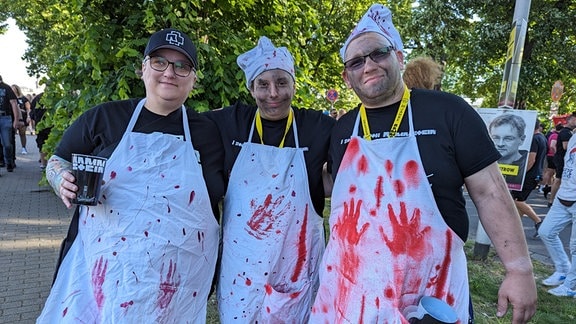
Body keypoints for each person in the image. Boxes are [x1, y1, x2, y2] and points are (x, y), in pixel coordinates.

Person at [310, 4, 536, 323]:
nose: (369, 65)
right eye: (357, 61)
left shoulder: (449, 112)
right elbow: (338, 187)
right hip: (352, 291)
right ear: (347, 78)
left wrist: (519, 269)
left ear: (399, 57)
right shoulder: (343, 128)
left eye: (378, 53)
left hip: (429, 292)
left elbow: (489, 192)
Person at [37, 28, 226, 323]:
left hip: (175, 288)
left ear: (193, 78)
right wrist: (61, 179)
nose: (170, 73)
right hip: (103, 279)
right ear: (143, 68)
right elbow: (57, 160)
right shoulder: (105, 117)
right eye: (160, 61)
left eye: (182, 66)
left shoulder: (210, 133)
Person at [204, 36, 335, 323]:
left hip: (297, 266)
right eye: (263, 85)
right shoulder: (230, 122)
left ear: (294, 85)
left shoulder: (318, 126)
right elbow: (174, 124)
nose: (273, 93)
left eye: (281, 82)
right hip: (242, 270)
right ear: (251, 88)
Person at [538, 133, 576, 297]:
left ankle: (570, 285)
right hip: (563, 196)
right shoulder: (574, 136)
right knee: (546, 232)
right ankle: (563, 269)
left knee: (575, 247)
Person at [510, 120, 546, 239]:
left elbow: (531, 159)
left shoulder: (534, 139)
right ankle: (517, 228)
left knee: (517, 201)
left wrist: (520, 174)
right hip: (536, 174)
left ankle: (538, 222)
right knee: (520, 200)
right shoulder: (542, 137)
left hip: (529, 175)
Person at [489, 113, 529, 190]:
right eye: (496, 138)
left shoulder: (525, 166)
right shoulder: (484, 161)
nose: (500, 144)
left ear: (522, 140)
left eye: (508, 138)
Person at [548, 113, 576, 207]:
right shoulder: (566, 132)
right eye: (574, 119)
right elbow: (566, 146)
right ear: (569, 121)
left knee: (560, 178)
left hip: (563, 159)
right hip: (562, 159)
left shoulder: (569, 132)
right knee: (558, 179)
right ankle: (551, 200)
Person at [0, 75, 23, 172]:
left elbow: (14, 103)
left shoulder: (6, 88)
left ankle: (9, 161)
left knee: (7, 144)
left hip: (5, 117)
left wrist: (16, 120)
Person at [541, 124, 562, 198]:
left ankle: (546, 186)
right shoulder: (556, 136)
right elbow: (552, 145)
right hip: (552, 156)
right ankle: (545, 186)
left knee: (549, 172)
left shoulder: (552, 135)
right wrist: (556, 153)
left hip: (550, 155)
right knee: (551, 173)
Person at [30, 92, 50, 168]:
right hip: (47, 125)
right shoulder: (59, 96)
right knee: (43, 144)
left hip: (41, 124)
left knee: (42, 144)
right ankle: (45, 164)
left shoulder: (38, 97)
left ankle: (43, 164)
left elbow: (32, 112)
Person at [11, 84, 32, 155]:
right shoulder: (10, 98)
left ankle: (24, 147)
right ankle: (12, 149)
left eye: (14, 89)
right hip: (13, 118)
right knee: (11, 134)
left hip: (23, 118)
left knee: (22, 134)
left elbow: (28, 108)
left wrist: (28, 117)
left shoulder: (23, 98)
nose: (12, 90)